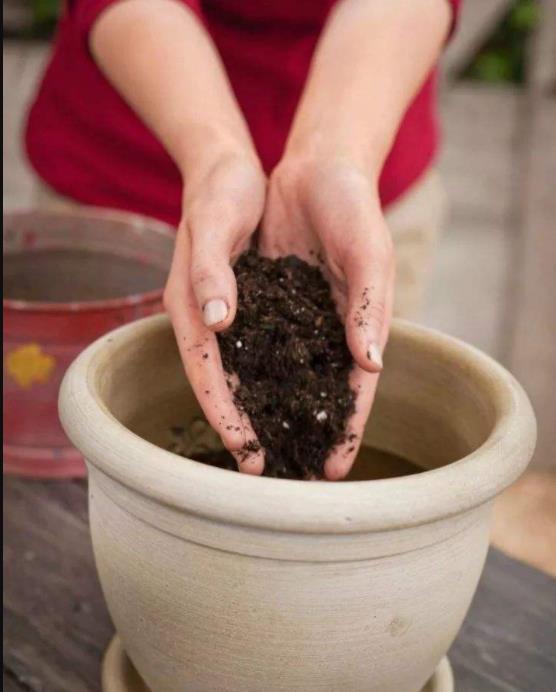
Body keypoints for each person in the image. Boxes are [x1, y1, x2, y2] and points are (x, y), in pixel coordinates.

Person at [26, 0, 460, 479]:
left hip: (358, 172)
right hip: (121, 181)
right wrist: (215, 159)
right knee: (72, 466)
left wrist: (336, 157)